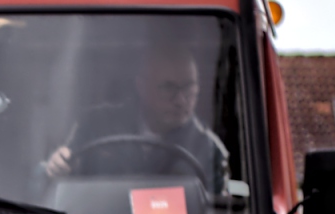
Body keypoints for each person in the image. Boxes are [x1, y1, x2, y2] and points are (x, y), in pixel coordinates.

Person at [42, 43, 228, 193]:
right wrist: (57, 167)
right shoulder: (95, 126)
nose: (180, 100)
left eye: (189, 88)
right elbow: (56, 182)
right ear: (142, 86)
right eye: (168, 88)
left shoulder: (209, 151)